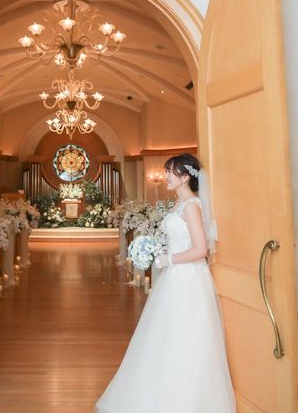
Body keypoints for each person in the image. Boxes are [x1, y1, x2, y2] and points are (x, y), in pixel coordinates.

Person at [95, 153, 235, 412]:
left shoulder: (191, 206)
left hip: (188, 279)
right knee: (165, 337)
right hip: (175, 277)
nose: (165, 176)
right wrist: (156, 250)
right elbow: (180, 240)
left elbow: (200, 250)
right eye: (166, 171)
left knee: (185, 336)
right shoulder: (179, 204)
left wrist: (166, 259)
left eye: (170, 171)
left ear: (185, 177)